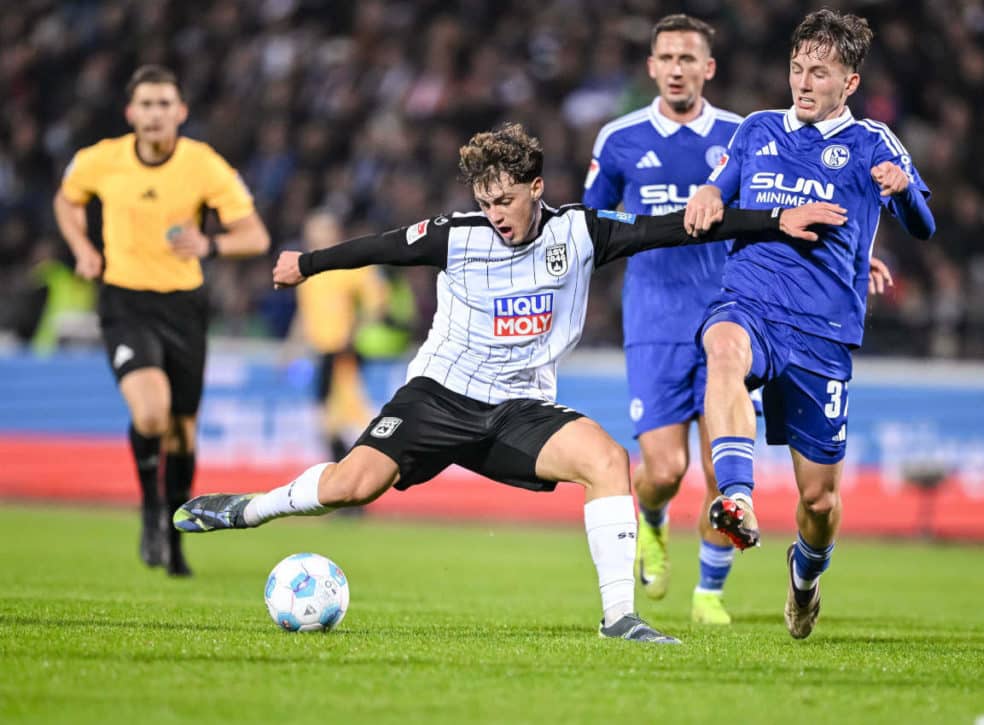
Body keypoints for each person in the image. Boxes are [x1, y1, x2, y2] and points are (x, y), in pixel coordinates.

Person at [173, 122, 844, 642]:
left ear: (535, 188)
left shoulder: (580, 232)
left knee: (610, 460)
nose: (495, 211)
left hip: (519, 408)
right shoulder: (457, 235)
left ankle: (619, 618)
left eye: (504, 199)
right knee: (351, 486)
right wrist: (308, 263)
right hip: (438, 397)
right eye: (484, 199)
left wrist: (774, 221)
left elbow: (669, 230)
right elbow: (379, 246)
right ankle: (247, 508)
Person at [683, 9, 935, 639]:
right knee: (723, 348)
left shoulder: (874, 142)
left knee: (819, 502)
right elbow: (720, 190)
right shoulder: (758, 130)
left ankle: (805, 576)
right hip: (752, 301)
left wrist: (902, 190)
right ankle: (736, 496)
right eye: (797, 67)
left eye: (818, 72)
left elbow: (924, 223)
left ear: (848, 83)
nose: (802, 81)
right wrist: (711, 194)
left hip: (822, 332)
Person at [53, 65, 270, 576]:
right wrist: (83, 247)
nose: (154, 114)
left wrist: (211, 243)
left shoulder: (203, 165)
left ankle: (175, 536)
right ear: (131, 113)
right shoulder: (99, 160)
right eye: (145, 105)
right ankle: (151, 507)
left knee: (182, 433)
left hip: (184, 306)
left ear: (181, 112)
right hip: (125, 302)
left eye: (163, 104)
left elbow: (256, 236)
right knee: (151, 413)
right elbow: (66, 201)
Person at [583, 13, 745, 624]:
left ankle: (709, 592)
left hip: (728, 321)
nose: (677, 69)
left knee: (720, 469)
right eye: (667, 58)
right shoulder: (618, 139)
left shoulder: (740, 136)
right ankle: (651, 517)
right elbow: (589, 226)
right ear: (651, 67)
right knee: (665, 469)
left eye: (689, 58)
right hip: (652, 320)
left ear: (708, 68)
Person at [292, 208, 388, 462]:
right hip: (321, 351)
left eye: (317, 230)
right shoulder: (309, 268)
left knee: (347, 413)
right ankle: (345, 471)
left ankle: (363, 468)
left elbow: (377, 301)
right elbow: (305, 313)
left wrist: (355, 330)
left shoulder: (348, 264)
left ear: (333, 233)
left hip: (341, 350)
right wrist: (291, 346)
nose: (310, 236)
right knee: (326, 416)